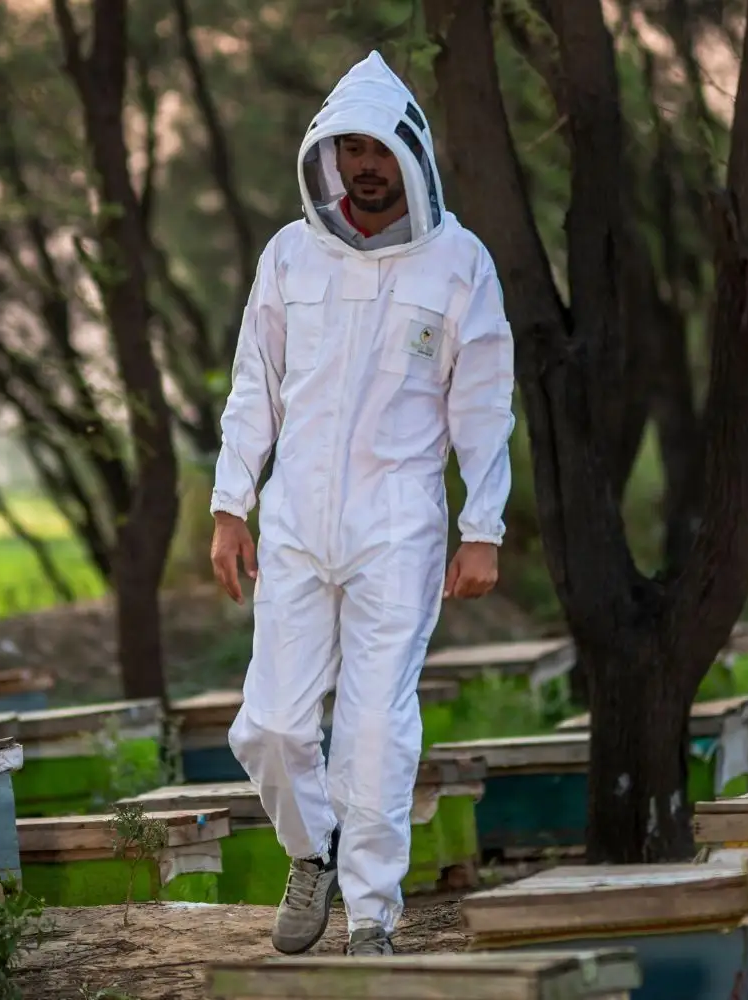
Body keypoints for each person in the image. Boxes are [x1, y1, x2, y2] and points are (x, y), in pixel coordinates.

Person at [209, 50, 516, 957]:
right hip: (297, 519)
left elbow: (484, 401)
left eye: (378, 151)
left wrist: (482, 527)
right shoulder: (289, 255)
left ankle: (372, 918)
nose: (364, 167)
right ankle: (312, 853)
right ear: (327, 157)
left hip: (399, 525)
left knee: (377, 731)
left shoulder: (458, 264)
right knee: (268, 727)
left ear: (409, 156)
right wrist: (233, 503)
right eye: (348, 150)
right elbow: (252, 385)